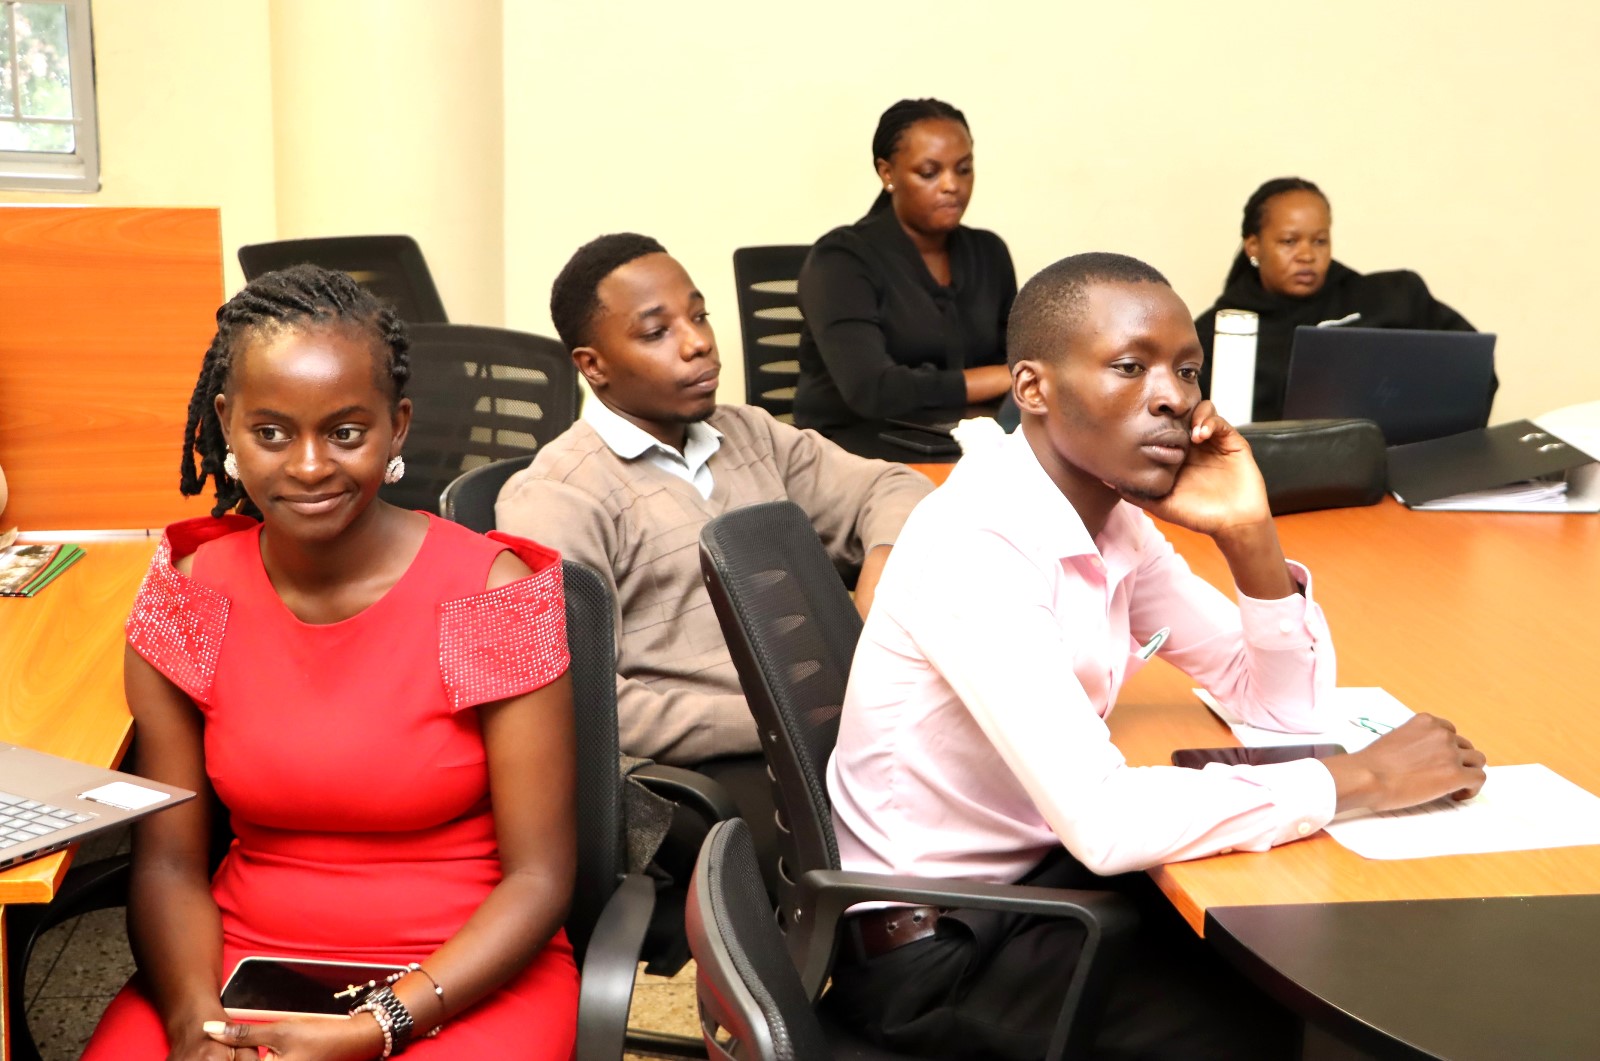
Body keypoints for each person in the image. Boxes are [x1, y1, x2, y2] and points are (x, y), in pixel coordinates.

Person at [825, 251, 1487, 1060]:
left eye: (1186, 369)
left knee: (1314, 946)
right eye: (1130, 367)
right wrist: (1367, 778)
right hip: (941, 954)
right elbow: (1106, 821)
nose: (1174, 396)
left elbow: (1282, 713)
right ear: (1032, 388)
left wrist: (1249, 532)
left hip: (1037, 886)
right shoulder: (979, 543)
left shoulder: (1112, 519)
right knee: (1288, 1021)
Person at [84, 266, 579, 1060]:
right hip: (238, 961)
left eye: (346, 432)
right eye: (272, 433)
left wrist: (374, 1026)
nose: (309, 465)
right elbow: (169, 864)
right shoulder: (187, 595)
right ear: (227, 423)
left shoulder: (489, 592)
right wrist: (197, 1026)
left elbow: (540, 877)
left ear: (398, 427)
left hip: (458, 971)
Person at [495, 232, 932, 865]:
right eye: (657, 332)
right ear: (594, 365)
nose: (698, 342)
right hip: (703, 771)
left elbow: (893, 486)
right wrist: (784, 718)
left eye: (698, 316)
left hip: (827, 728)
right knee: (903, 842)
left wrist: (881, 568)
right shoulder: (558, 497)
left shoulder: (747, 434)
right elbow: (584, 705)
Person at [793, 98, 1016, 432]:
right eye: (929, 173)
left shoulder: (989, 252)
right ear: (887, 173)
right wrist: (1001, 378)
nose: (951, 185)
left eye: (963, 169)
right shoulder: (839, 260)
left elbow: (1020, 362)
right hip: (853, 445)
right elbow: (872, 390)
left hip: (967, 440)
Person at [1195, 176, 1482, 423]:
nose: (1307, 255)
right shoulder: (1215, 335)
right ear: (1253, 246)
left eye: (1319, 241)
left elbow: (1471, 366)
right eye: (1289, 241)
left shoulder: (1391, 299)